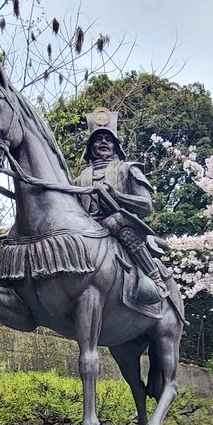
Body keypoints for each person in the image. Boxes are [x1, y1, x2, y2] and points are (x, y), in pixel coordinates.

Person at [75, 107, 167, 305]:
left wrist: (118, 196)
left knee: (115, 222)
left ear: (116, 146)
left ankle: (155, 278)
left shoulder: (128, 169)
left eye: (108, 139)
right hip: (87, 229)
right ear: (90, 147)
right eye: (98, 139)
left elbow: (146, 205)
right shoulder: (79, 179)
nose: (103, 142)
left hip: (120, 225)